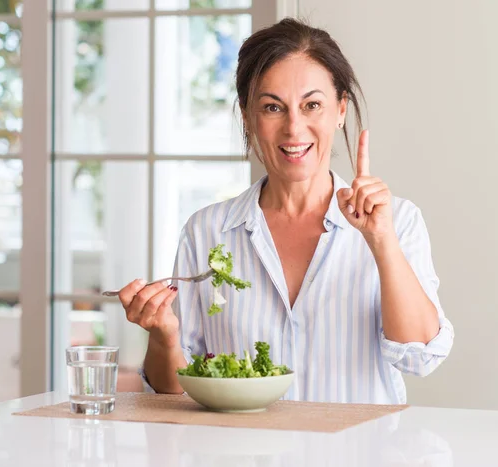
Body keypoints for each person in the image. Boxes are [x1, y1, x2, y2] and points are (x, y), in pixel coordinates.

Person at [117, 18, 454, 404]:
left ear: (340, 109)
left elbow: (421, 356)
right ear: (248, 116)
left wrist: (381, 241)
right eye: (273, 107)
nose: (294, 128)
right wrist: (164, 335)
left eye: (312, 105)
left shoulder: (398, 221)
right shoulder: (207, 231)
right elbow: (171, 390)